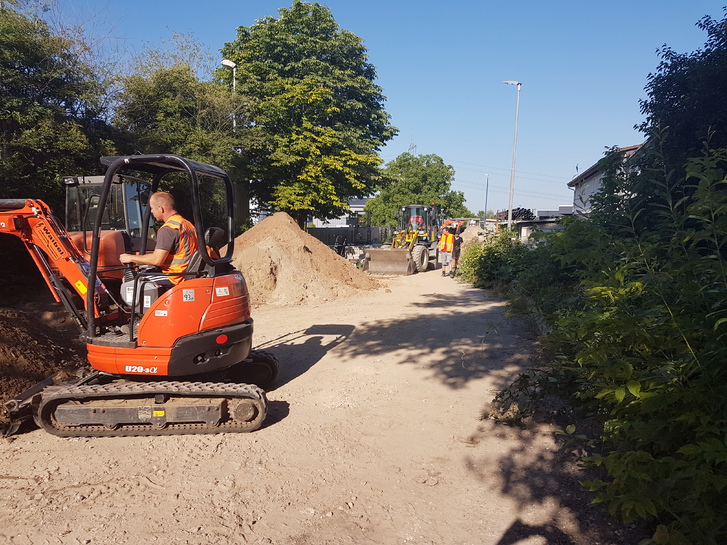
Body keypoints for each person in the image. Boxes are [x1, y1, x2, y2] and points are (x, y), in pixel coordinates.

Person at [119, 191, 198, 285]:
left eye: (152, 208)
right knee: (142, 273)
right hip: (187, 272)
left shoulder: (168, 229)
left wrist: (130, 258)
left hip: (175, 277)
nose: (151, 211)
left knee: (132, 281)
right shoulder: (186, 224)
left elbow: (157, 260)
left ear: (160, 208)